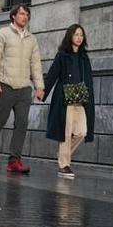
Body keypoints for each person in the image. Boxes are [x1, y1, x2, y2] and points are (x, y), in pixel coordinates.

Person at [0, 4, 44, 174]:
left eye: (27, 14)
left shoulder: (31, 39)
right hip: (5, 86)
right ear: (13, 16)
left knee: (22, 124)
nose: (24, 17)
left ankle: (14, 161)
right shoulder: (2, 34)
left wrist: (39, 87)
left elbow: (36, 64)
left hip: (24, 89)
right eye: (21, 14)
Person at [42, 24, 95, 179]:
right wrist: (42, 92)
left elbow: (89, 80)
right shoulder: (62, 56)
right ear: (70, 36)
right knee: (65, 133)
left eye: (81, 35)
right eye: (76, 34)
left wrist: (90, 98)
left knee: (82, 132)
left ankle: (62, 154)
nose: (79, 38)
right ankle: (64, 165)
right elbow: (52, 75)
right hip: (64, 99)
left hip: (81, 100)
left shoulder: (84, 58)